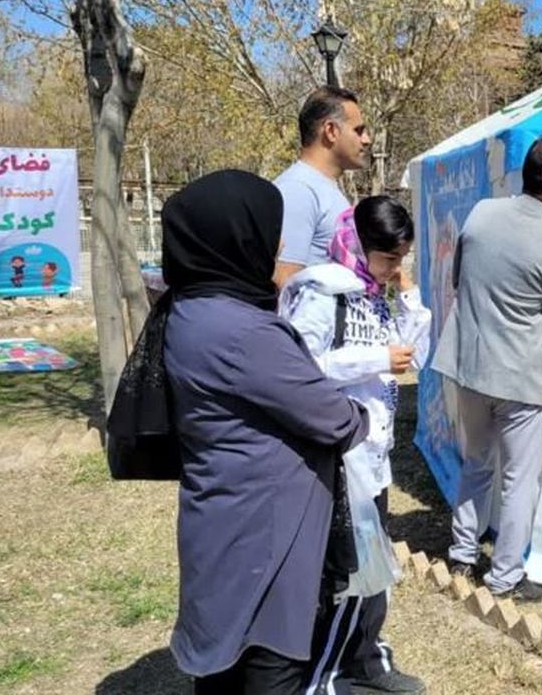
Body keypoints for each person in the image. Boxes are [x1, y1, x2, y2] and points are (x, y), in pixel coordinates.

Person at [158, 170, 370, 693]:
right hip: (264, 534)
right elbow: (334, 418)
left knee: (222, 658)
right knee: (267, 661)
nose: (278, 243)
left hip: (225, 516)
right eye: (270, 228)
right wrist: (360, 414)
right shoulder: (242, 330)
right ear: (237, 235)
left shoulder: (190, 308)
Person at [432, 135, 542, 601]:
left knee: (476, 463)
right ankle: (505, 576)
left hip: (469, 363)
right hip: (520, 378)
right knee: (519, 480)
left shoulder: (482, 214)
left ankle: (462, 553)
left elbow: (459, 280)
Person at [279, 195, 430, 695]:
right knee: (344, 574)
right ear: (355, 244)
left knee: (373, 568)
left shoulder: (369, 292)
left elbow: (411, 357)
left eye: (399, 261)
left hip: (373, 458)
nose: (392, 271)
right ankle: (323, 674)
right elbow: (299, 369)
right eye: (387, 259)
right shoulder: (322, 292)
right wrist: (375, 360)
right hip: (339, 460)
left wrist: (407, 300)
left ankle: (366, 660)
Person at [273, 86, 372, 288]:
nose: (366, 140)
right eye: (358, 130)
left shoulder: (324, 188)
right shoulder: (298, 190)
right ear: (331, 131)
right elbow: (285, 283)